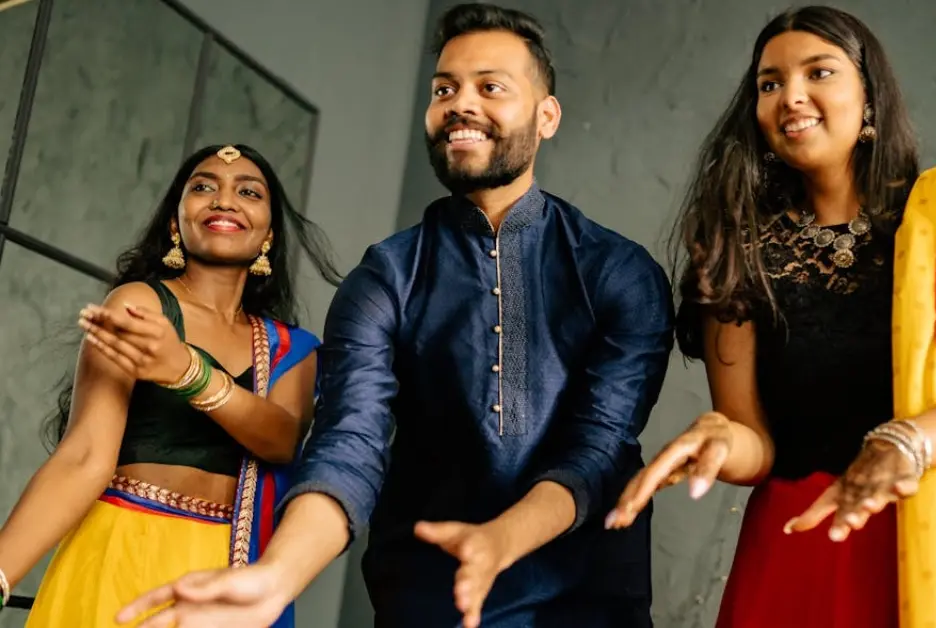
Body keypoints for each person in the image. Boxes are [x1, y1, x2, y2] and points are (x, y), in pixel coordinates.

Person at [117, 4, 673, 628]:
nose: (461, 105)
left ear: (547, 116)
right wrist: (277, 578)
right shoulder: (385, 277)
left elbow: (599, 447)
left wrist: (501, 541)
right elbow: (349, 442)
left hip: (585, 601)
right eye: (444, 90)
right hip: (428, 600)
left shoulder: (620, 272)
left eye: (490, 87)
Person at [606, 6, 936, 628]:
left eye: (819, 72)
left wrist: (905, 442)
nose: (791, 96)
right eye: (770, 83)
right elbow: (757, 445)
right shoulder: (738, 249)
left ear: (870, 99)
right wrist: (722, 438)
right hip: (797, 547)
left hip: (933, 537)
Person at [0, 144, 340, 626]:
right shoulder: (141, 306)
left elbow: (282, 440)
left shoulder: (292, 349)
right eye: (203, 187)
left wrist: (187, 372)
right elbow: (84, 457)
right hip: (120, 548)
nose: (224, 200)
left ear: (269, 235)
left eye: (248, 192)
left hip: (223, 575)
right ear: (175, 224)